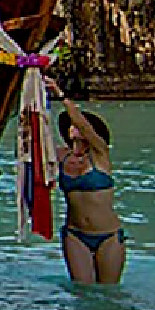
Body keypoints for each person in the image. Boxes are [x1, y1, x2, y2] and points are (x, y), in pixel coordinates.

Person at [45, 77, 123, 284]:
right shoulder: (62, 155)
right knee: (82, 291)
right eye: (71, 125)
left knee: (108, 293)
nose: (75, 126)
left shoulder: (100, 154)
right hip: (75, 234)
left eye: (78, 124)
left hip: (108, 236)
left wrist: (60, 94)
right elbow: (35, 143)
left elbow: (83, 125)